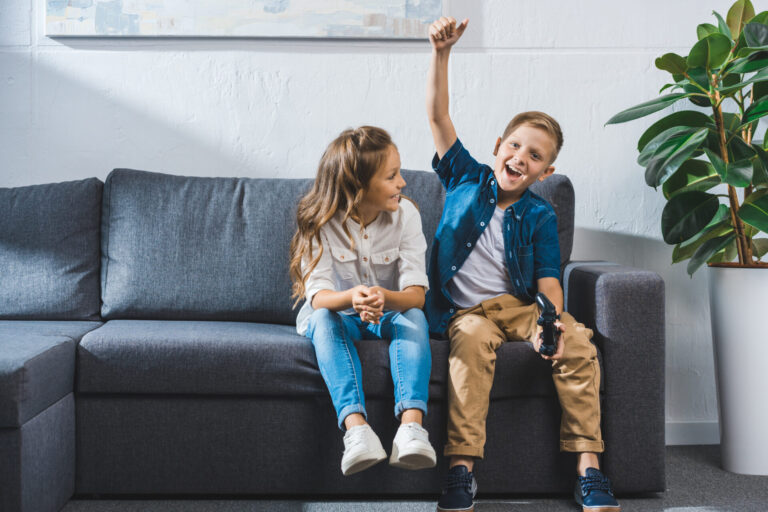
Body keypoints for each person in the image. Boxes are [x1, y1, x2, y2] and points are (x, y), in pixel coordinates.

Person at [425, 17, 621, 512]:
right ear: (497, 146)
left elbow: (549, 280)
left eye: (534, 156)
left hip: (517, 306)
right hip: (467, 313)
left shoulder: (539, 213)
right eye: (514, 146)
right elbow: (438, 118)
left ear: (546, 171)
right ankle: (461, 470)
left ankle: (589, 468)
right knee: (468, 346)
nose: (520, 158)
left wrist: (551, 322)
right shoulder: (465, 177)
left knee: (577, 340)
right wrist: (441, 54)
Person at [290, 126, 437, 476]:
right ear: (358, 187)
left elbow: (416, 294)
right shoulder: (318, 222)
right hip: (338, 312)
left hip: (390, 310)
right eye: (391, 176)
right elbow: (319, 296)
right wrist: (352, 297)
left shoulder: (407, 216)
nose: (402, 183)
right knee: (323, 319)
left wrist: (384, 297)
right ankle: (357, 431)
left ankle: (411, 428)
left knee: (415, 316)